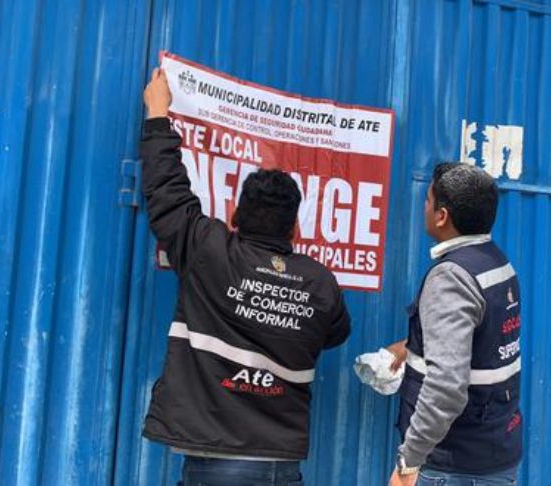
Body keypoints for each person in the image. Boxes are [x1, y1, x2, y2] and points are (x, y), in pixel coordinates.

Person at [141, 68, 351, 486]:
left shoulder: (208, 249)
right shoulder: (320, 283)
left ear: (235, 216)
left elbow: (167, 192)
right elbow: (336, 334)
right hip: (279, 465)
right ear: (294, 230)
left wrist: (157, 113)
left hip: (212, 462)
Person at [387, 163, 522, 486]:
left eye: (428, 200)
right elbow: (482, 344)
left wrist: (409, 461)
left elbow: (447, 387)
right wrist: (411, 348)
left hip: (452, 467)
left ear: (442, 216)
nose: (425, 206)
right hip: (495, 455)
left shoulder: (451, 277)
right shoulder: (497, 264)